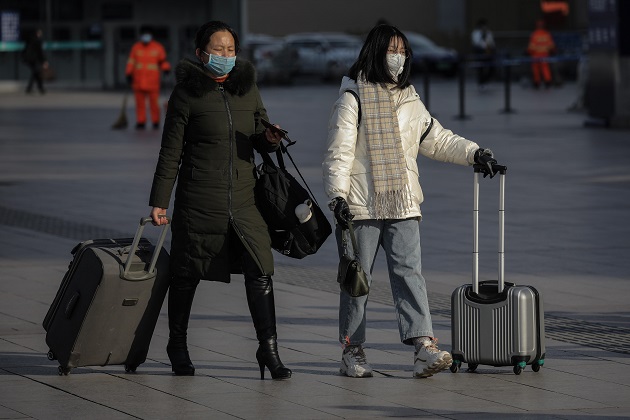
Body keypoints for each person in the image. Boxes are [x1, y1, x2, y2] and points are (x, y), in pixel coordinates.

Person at [322, 24, 500, 379]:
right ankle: (352, 350)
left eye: (403, 51)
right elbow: (338, 153)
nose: (398, 57)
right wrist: (337, 197)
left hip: (402, 201)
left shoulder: (410, 99)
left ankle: (423, 347)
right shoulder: (352, 97)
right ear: (375, 52)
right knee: (358, 280)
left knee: (409, 275)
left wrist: (474, 153)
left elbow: (438, 139)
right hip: (360, 204)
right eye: (392, 50)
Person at [149, 20, 291, 380]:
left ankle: (268, 349)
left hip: (244, 199)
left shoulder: (248, 88)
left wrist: (270, 138)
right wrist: (160, 201)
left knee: (261, 268)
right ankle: (176, 345)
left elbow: (259, 131)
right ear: (201, 54)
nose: (225, 56)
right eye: (218, 49)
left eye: (231, 49)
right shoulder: (186, 94)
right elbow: (170, 152)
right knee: (185, 274)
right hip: (199, 199)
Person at [125, 25, 171, 129]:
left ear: (151, 35)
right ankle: (141, 121)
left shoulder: (158, 48)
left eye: (148, 34)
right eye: (144, 34)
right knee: (140, 104)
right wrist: (128, 73)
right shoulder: (136, 48)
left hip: (152, 82)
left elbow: (162, 61)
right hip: (138, 81)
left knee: (154, 104)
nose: (146, 36)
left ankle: (155, 121)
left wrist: (166, 68)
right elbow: (131, 62)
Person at [527, 19, 556, 89]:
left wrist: (528, 52)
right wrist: (553, 51)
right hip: (545, 54)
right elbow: (551, 45)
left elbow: (532, 46)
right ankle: (547, 82)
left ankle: (537, 83)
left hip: (535, 55)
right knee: (545, 69)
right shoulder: (547, 34)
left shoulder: (534, 34)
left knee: (536, 70)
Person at [470, 18, 495, 90]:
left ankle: (485, 80)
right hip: (479, 51)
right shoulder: (476, 33)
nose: (485, 27)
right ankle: (481, 82)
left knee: (491, 67)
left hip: (488, 52)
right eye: (483, 26)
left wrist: (490, 48)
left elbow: (492, 43)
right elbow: (477, 43)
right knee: (480, 68)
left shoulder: (489, 33)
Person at [22, 29, 48, 94]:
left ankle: (32, 88)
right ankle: (39, 89)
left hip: (29, 59)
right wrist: (44, 61)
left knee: (35, 73)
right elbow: (40, 52)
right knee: (36, 73)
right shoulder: (38, 41)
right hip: (34, 60)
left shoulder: (29, 40)